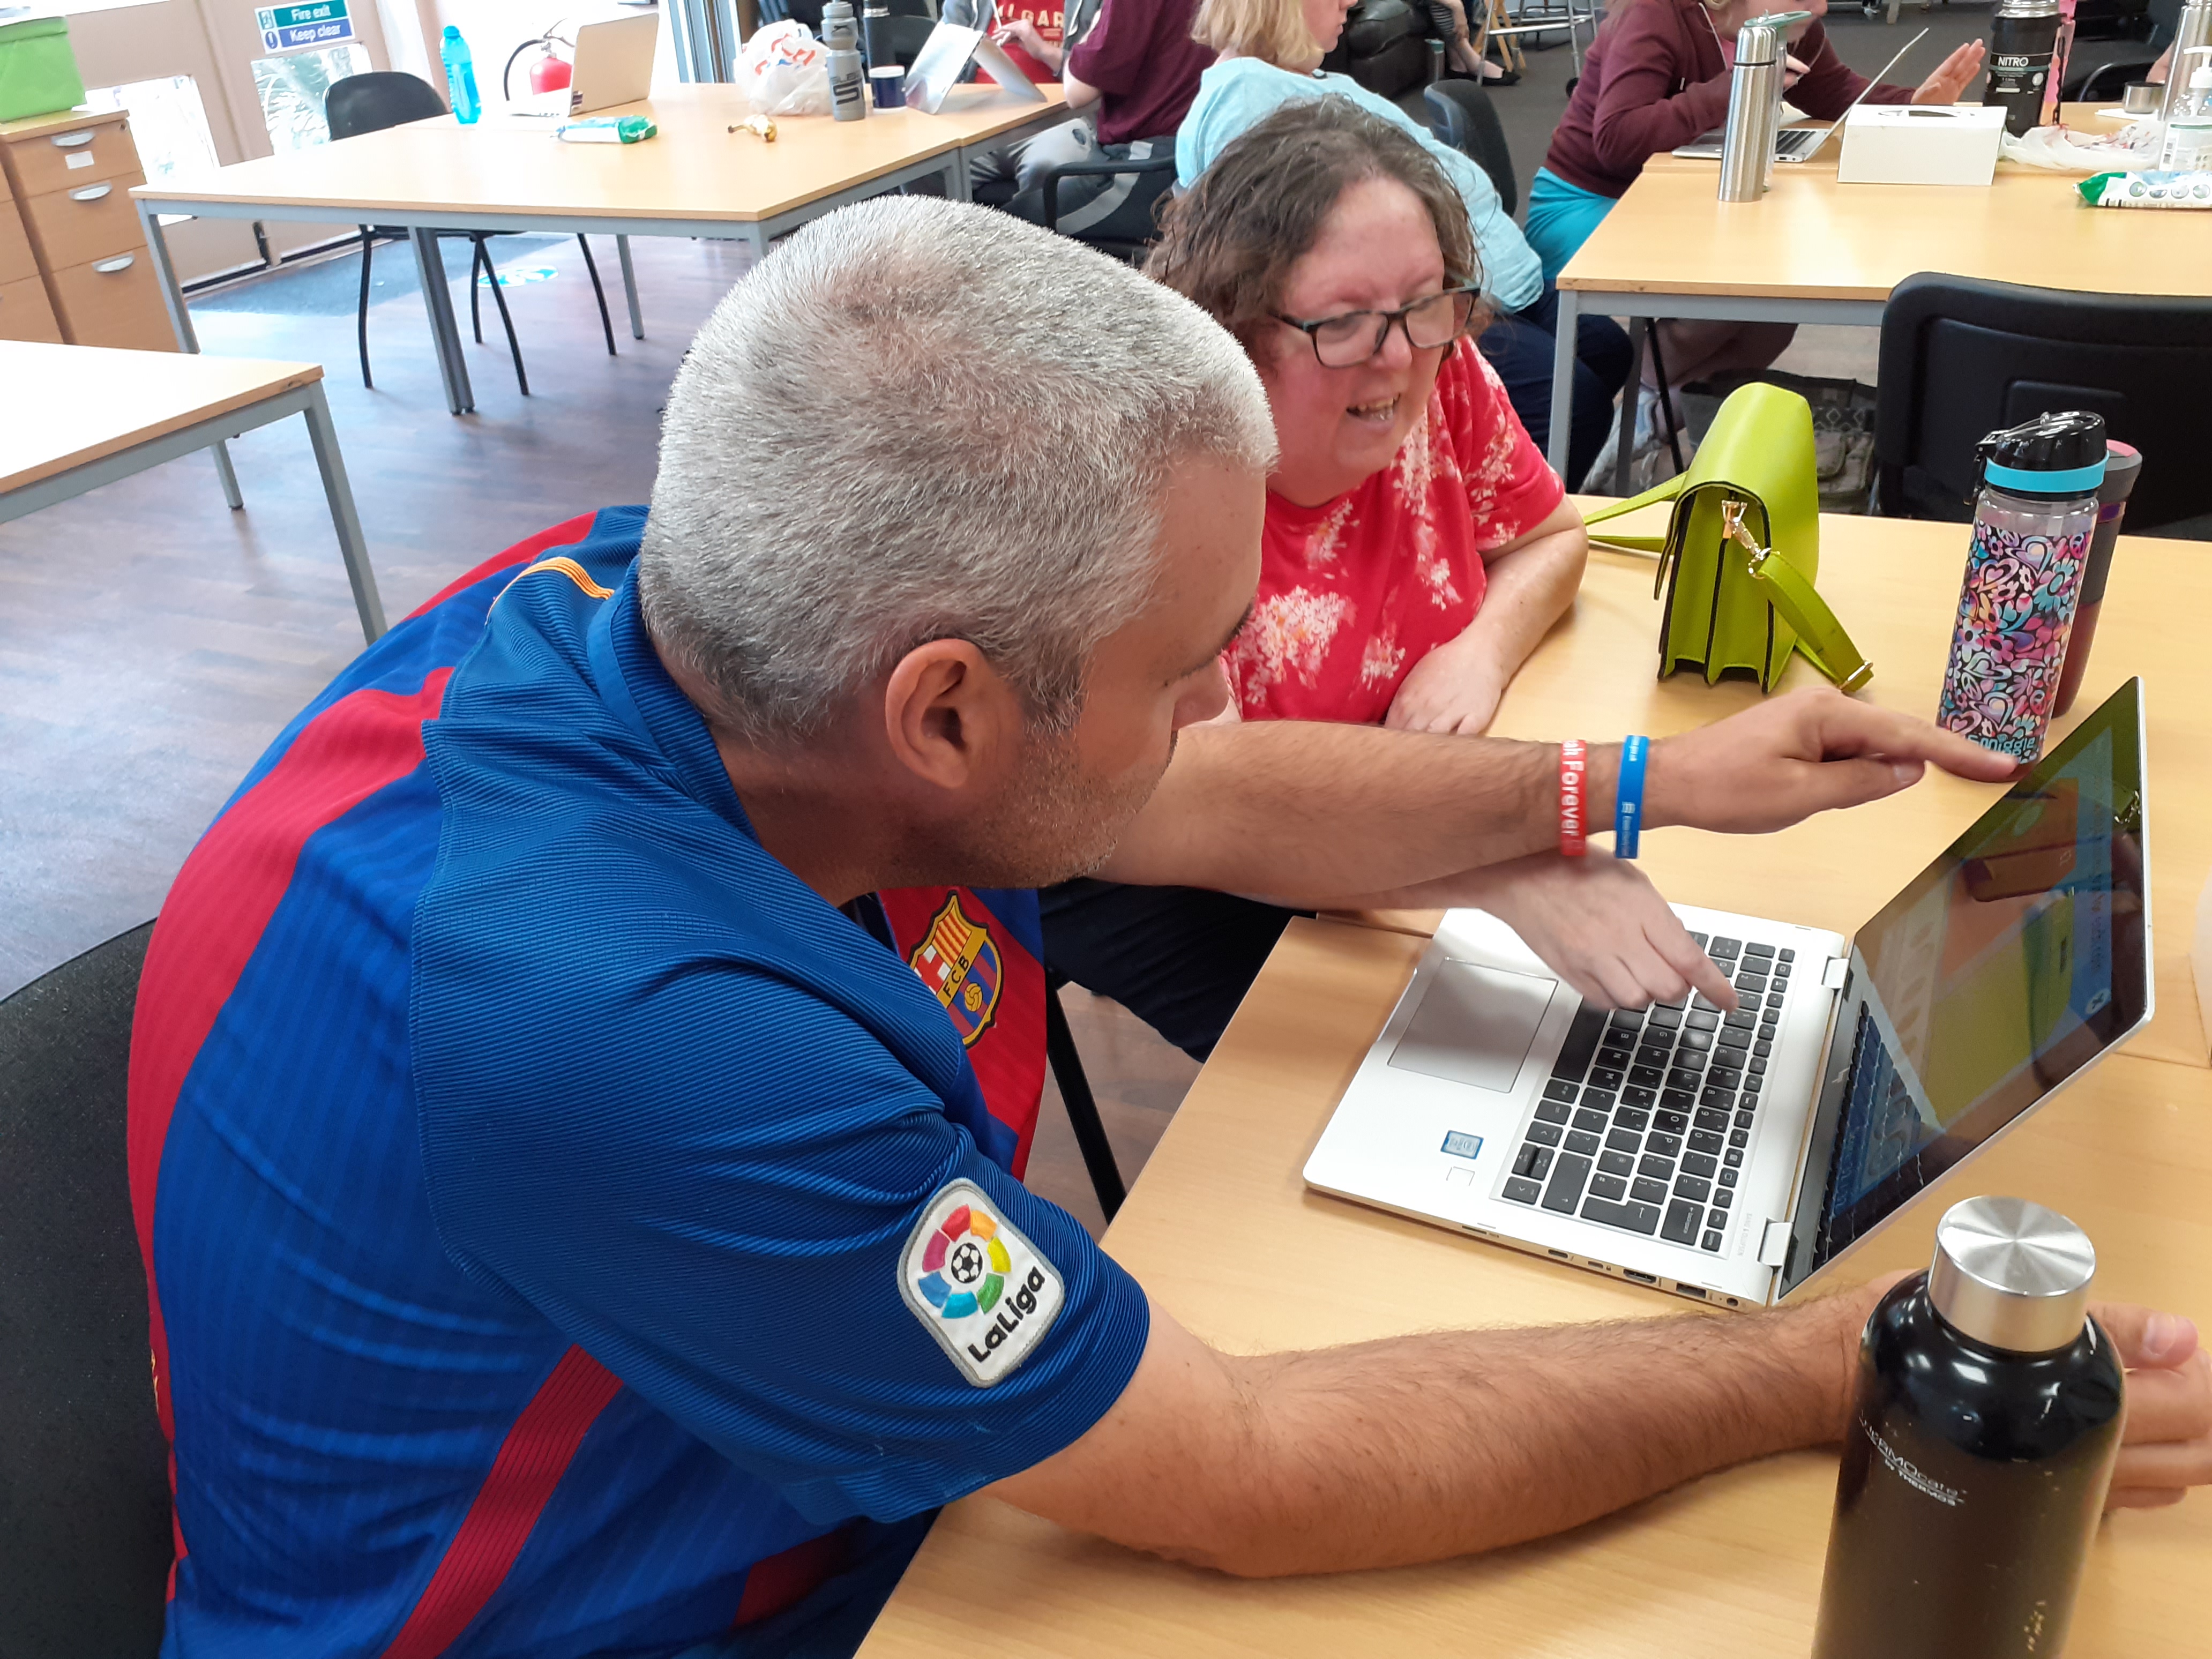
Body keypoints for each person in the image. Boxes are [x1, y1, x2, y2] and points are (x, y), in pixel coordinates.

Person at [131, 198, 2210, 1659]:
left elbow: (1189, 795)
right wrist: (1840, 1366)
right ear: (943, 709)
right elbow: (1251, 1470)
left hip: (757, 1470)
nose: (1237, 696)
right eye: (1198, 653)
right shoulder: (638, 1027)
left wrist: (1635, 788)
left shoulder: (674, 602)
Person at [1045, 95, 1585, 1051]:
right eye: (1342, 323)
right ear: (1236, 327)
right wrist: (1495, 858)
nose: (1401, 357)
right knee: (1429, 1062)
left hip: (1388, 828)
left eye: (1428, 301)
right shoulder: (1169, 487)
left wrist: (1479, 653)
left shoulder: (1439, 361)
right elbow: (1215, 803)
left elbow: (1550, 537)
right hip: (1186, 856)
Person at [1180, 0, 1634, 488]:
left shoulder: (1307, 79)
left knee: (1607, 348)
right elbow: (1291, 263)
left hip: (1481, 282)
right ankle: (1488, 514)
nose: (1350, 3)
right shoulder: (1246, 97)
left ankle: (1499, 481)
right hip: (1431, 300)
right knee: (1574, 404)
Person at [1527, 0, 1984, 403]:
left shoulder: (1789, 28)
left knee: (1775, 301)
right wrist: (1736, 86)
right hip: (1587, 199)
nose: (1821, 7)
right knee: (1735, 289)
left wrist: (1914, 103)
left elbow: (1836, 92)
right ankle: (1651, 394)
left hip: (1676, 201)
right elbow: (1617, 139)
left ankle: (1678, 410)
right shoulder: (1655, 14)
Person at [969, 0, 1214, 239]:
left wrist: (1096, 26)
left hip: (1145, 166)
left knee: (997, 235)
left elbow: (1077, 92)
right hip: (1196, 162)